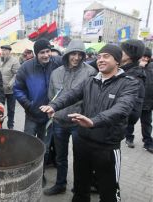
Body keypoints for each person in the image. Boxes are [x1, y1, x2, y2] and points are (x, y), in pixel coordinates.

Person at [40, 44, 140, 202]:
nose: (100, 59)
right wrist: (53, 106)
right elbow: (71, 95)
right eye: (99, 57)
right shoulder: (90, 81)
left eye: (106, 56)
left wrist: (93, 121)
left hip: (107, 146)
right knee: (80, 189)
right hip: (83, 142)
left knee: (108, 192)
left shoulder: (129, 83)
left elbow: (122, 109)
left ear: (118, 61)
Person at [44, 39, 97, 196]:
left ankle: (80, 188)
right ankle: (60, 184)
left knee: (80, 157)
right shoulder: (56, 73)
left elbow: (91, 98)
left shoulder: (90, 72)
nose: (76, 58)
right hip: (59, 122)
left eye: (80, 54)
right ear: (67, 54)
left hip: (78, 122)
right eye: (73, 54)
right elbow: (51, 96)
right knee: (60, 157)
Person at [13, 38, 62, 186]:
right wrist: (29, 105)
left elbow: (75, 62)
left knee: (45, 148)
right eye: (42, 52)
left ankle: (40, 175)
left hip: (49, 117)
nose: (46, 55)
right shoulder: (26, 67)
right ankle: (27, 174)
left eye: (48, 51)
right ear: (36, 54)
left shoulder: (57, 63)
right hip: (32, 115)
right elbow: (18, 89)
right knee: (27, 146)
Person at [119, 39, 146, 149]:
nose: (119, 52)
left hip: (115, 128)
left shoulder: (133, 77)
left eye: (122, 50)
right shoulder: (123, 71)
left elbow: (134, 112)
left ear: (129, 55)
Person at [0, 45, 20, 129]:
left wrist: (11, 84)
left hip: (11, 90)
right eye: (2, 50)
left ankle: (10, 126)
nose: (3, 52)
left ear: (9, 51)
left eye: (5, 50)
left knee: (11, 110)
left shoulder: (14, 61)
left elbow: (17, 74)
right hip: (0, 90)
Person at [139, 48, 153, 153]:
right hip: (135, 101)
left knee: (147, 123)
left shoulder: (151, 68)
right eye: (143, 56)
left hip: (147, 102)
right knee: (129, 122)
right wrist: (140, 68)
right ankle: (129, 137)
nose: (145, 59)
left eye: (147, 57)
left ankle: (147, 142)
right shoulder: (135, 67)